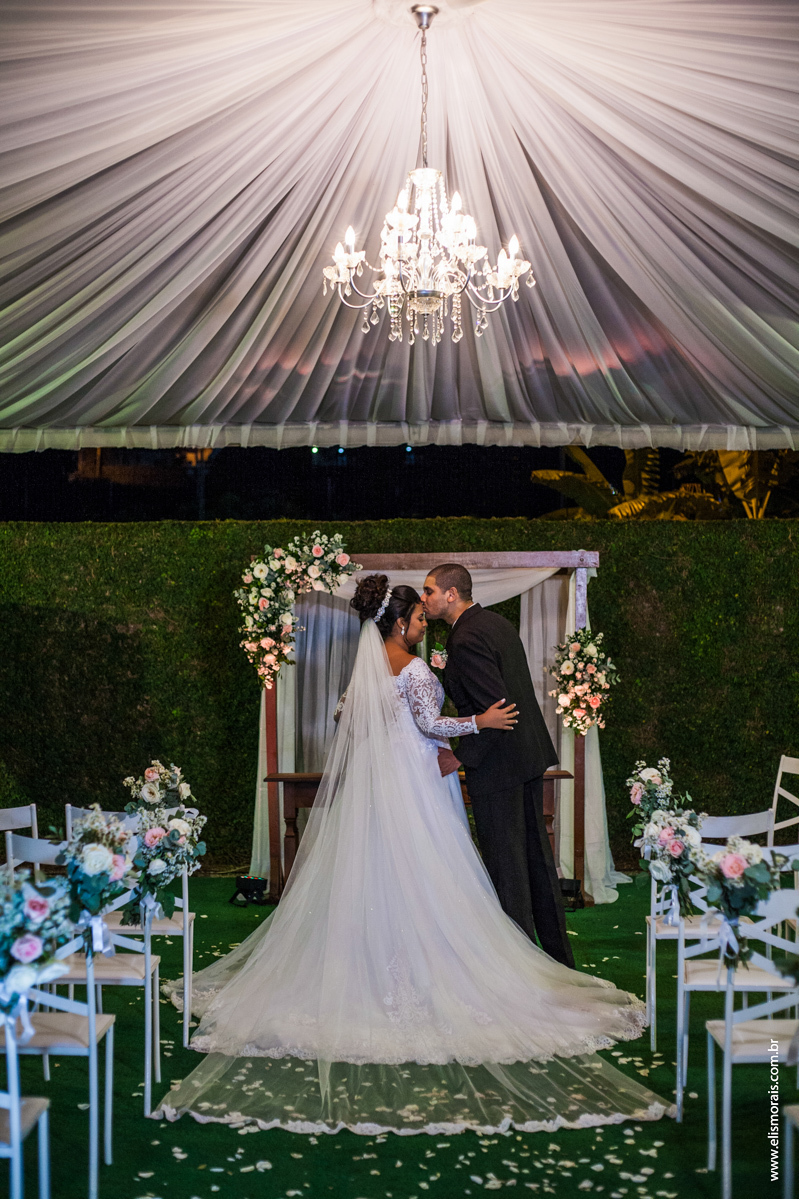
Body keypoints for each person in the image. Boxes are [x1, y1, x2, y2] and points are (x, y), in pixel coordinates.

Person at [156, 575, 671, 1136]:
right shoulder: (418, 670)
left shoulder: (367, 669)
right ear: (400, 623)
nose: (426, 623)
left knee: (378, 878)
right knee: (435, 876)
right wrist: (480, 722)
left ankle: (371, 969)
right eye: (419, 618)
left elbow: (343, 717)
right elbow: (430, 724)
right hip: (421, 786)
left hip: (381, 790)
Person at [422, 563, 574, 968]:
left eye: (430, 591)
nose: (426, 599)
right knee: (538, 867)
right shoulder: (494, 623)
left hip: (500, 768)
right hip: (524, 759)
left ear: (451, 594)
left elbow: (498, 711)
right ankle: (559, 962)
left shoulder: (466, 638)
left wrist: (461, 756)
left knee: (509, 873)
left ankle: (523, 972)